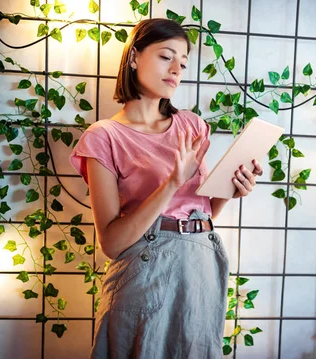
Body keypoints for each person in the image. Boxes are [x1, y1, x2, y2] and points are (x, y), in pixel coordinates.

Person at [68, 18, 262, 358]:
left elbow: (204, 209)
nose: (176, 69)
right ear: (133, 57)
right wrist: (172, 182)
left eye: (183, 62)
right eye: (165, 56)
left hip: (201, 265)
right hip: (144, 270)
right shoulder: (103, 136)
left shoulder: (191, 125)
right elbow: (112, 243)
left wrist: (234, 188)